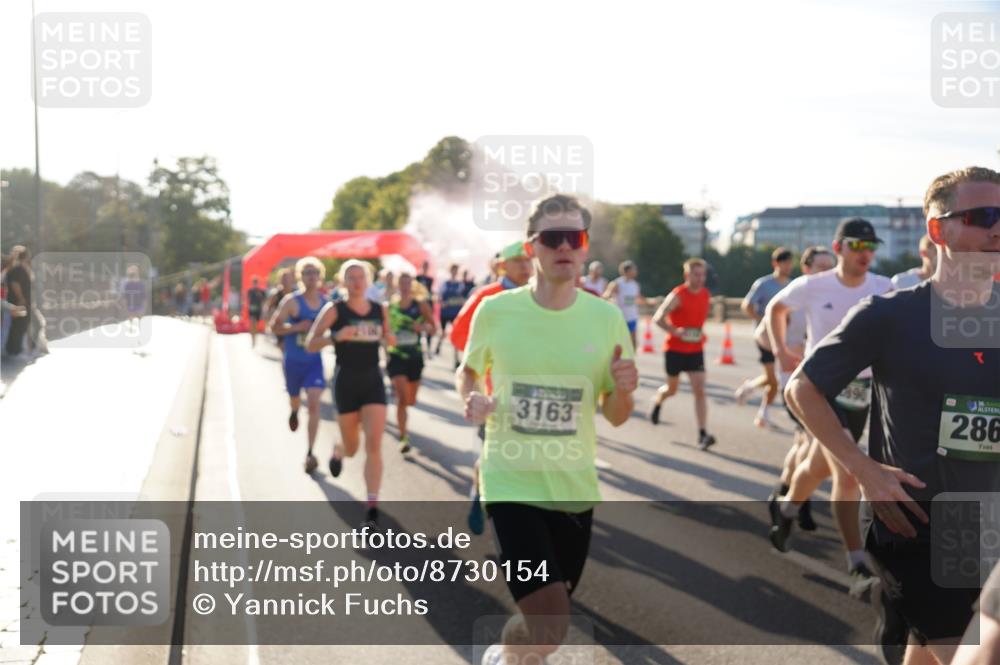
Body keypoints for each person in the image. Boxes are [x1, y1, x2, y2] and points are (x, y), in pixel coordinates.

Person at [785, 167, 1000, 665]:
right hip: (913, 524)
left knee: (925, 651)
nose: (997, 229)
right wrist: (863, 470)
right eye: (982, 216)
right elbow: (805, 389)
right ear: (937, 230)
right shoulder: (889, 315)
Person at [456, 194, 637, 665]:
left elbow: (617, 415)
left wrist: (623, 390)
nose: (564, 247)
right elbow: (468, 370)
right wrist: (469, 397)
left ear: (585, 246)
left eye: (573, 238)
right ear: (531, 246)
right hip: (510, 481)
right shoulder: (496, 311)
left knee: (544, 629)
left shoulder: (607, 318)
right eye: (551, 238)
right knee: (552, 620)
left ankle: (507, 656)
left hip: (574, 488)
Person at [767, 217, 894, 600]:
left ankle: (787, 510)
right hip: (818, 390)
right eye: (857, 246)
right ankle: (857, 563)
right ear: (838, 248)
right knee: (848, 472)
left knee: (817, 466)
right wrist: (780, 350)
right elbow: (775, 308)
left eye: (871, 247)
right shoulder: (812, 285)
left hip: (862, 392)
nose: (865, 254)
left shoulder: (883, 287)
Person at [450, 240, 534, 535]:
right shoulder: (487, 297)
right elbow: (459, 335)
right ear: (503, 266)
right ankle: (479, 495)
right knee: (493, 455)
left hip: (533, 392)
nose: (526, 266)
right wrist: (487, 360)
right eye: (519, 261)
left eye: (528, 260)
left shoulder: (541, 297)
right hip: (494, 393)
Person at [307, 260, 394, 528]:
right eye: (351, 278)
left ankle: (371, 507)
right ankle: (339, 449)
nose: (356, 282)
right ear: (343, 281)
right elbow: (311, 343)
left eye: (361, 277)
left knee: (374, 445)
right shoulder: (335, 309)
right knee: (353, 448)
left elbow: (388, 338)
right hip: (346, 382)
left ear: (367, 281)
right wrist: (336, 336)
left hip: (372, 382)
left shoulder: (380, 310)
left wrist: (388, 340)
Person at [759, 245, 836, 532]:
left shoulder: (837, 295)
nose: (827, 272)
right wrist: (783, 351)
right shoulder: (798, 294)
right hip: (796, 383)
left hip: (826, 383)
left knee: (804, 443)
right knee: (812, 443)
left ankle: (783, 493)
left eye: (831, 266)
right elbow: (762, 333)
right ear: (807, 270)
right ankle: (796, 502)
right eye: (821, 267)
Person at [648, 258, 716, 450]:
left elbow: (697, 320)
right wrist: (675, 331)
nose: (700, 278)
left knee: (700, 389)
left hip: (695, 350)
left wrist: (699, 332)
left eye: (703, 274)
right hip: (675, 350)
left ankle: (703, 434)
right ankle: (658, 401)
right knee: (672, 390)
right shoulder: (678, 295)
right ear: (687, 275)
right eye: (696, 274)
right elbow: (658, 318)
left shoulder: (705, 294)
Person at [269, 258, 329, 474]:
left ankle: (310, 452)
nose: (311, 276)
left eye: (314, 272)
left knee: (314, 405)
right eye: (307, 272)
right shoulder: (291, 301)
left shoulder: (326, 303)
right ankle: (294, 410)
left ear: (319, 276)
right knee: (296, 400)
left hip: (314, 362)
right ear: (300, 277)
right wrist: (295, 327)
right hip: (293, 362)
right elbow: (274, 326)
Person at [735, 247, 794, 428]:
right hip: (765, 338)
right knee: (774, 380)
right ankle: (763, 414)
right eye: (785, 263)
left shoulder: (792, 285)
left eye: (790, 263)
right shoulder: (764, 284)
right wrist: (765, 321)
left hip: (786, 337)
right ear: (775, 264)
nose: (788, 266)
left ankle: (750, 388)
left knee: (776, 378)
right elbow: (747, 306)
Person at [386, 273, 436, 453]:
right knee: (401, 398)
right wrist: (387, 340)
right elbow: (385, 331)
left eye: (408, 283)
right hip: (396, 356)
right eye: (402, 283)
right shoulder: (390, 306)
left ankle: (403, 412)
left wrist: (422, 328)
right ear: (397, 285)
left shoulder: (420, 305)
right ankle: (403, 436)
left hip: (415, 356)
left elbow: (433, 328)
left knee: (410, 400)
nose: (405, 286)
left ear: (412, 285)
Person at [603, 260, 647, 348]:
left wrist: (652, 301)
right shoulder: (617, 283)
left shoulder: (635, 284)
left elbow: (639, 299)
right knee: (618, 341)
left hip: (632, 317)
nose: (636, 271)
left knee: (633, 340)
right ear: (627, 271)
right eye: (634, 269)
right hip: (620, 318)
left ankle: (633, 359)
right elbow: (606, 296)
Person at [436, 263, 468, 364]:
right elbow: (439, 297)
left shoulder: (460, 285)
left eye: (455, 270)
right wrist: (442, 303)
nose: (454, 272)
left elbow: (465, 299)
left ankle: (456, 358)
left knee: (455, 333)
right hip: (445, 312)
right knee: (443, 332)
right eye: (452, 270)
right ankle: (438, 345)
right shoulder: (445, 283)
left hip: (455, 313)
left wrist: (460, 302)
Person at [4, 246, 31, 358]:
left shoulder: (19, 267)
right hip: (18, 302)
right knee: (18, 325)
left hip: (19, 302)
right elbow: (15, 284)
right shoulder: (17, 268)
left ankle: (15, 349)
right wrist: (21, 300)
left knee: (20, 325)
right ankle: (13, 350)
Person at [415, 261, 435, 356]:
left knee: (429, 326)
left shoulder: (430, 279)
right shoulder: (417, 278)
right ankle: (418, 346)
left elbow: (430, 293)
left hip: (428, 305)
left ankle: (428, 348)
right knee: (418, 325)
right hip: (419, 306)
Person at [246, 277, 268, 347]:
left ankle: (255, 337)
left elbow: (264, 300)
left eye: (256, 282)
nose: (255, 283)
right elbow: (247, 299)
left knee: (255, 325)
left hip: (258, 310)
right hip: (252, 309)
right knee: (252, 323)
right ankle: (252, 338)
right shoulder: (250, 291)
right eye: (254, 282)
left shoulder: (261, 291)